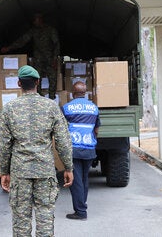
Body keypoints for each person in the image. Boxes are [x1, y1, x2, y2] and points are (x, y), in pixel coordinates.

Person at [0, 65, 73, 236]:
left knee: (21, 219)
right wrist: (68, 168)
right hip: (44, 171)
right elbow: (63, 141)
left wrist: (4, 172)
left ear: (18, 83)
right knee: (45, 214)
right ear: (38, 82)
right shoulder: (51, 107)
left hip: (20, 172)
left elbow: (3, 144)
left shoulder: (9, 109)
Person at [62, 81, 100, 220]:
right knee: (84, 179)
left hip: (74, 149)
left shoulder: (66, 108)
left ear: (73, 93)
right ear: (85, 93)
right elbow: (96, 129)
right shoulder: (94, 108)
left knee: (75, 180)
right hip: (89, 148)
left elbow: (60, 129)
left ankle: (81, 212)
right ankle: (82, 205)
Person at [1, 13, 60, 99]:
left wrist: (55, 59)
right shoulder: (33, 31)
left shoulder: (51, 30)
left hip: (50, 59)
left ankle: (52, 99)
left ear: (40, 19)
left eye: (35, 20)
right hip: (38, 59)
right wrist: (9, 48)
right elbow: (22, 41)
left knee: (53, 79)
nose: (34, 22)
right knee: (36, 78)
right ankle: (38, 98)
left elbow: (56, 44)